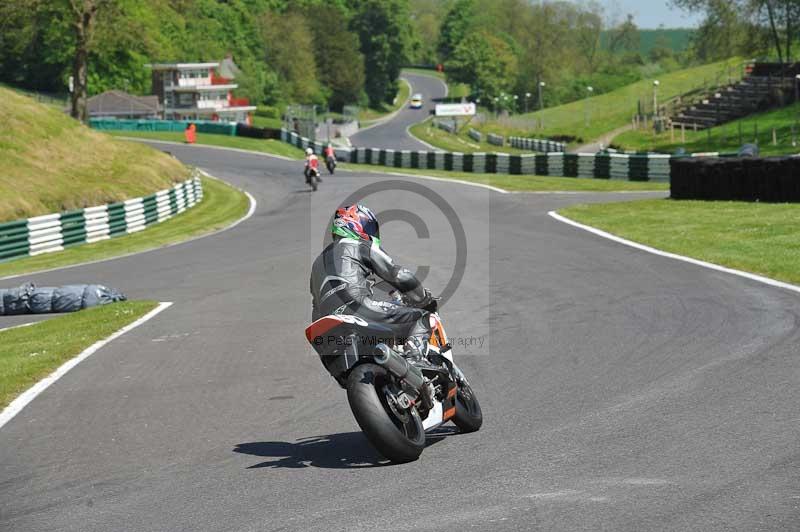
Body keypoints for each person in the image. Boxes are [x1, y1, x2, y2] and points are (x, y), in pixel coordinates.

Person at [309, 204, 438, 361]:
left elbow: (316, 306)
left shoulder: (317, 263)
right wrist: (424, 299)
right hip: (358, 309)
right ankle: (414, 358)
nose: (370, 232)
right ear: (353, 225)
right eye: (367, 226)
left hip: (325, 328)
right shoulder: (359, 245)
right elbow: (397, 275)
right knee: (422, 318)